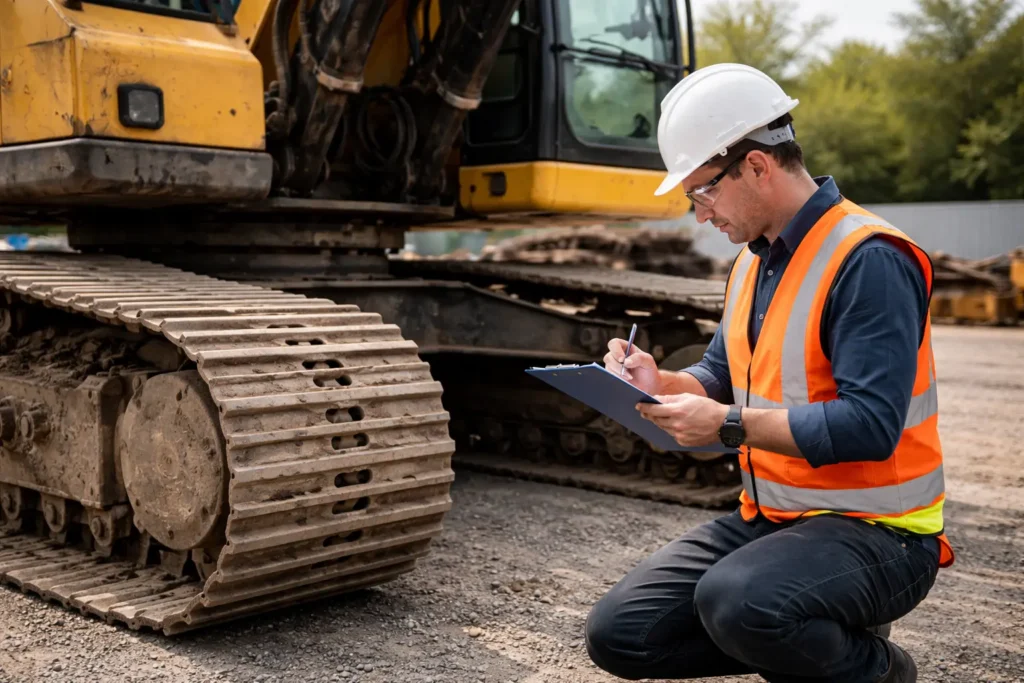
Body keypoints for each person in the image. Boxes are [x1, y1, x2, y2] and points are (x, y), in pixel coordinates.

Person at [585, 63, 954, 683]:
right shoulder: (754, 264)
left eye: (702, 191)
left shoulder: (869, 259)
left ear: (757, 165)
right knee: (620, 635)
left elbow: (871, 426)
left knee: (739, 602)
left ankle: (881, 671)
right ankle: (810, 627)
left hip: (882, 536)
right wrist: (660, 383)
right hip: (773, 522)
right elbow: (719, 374)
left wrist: (727, 426)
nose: (700, 215)